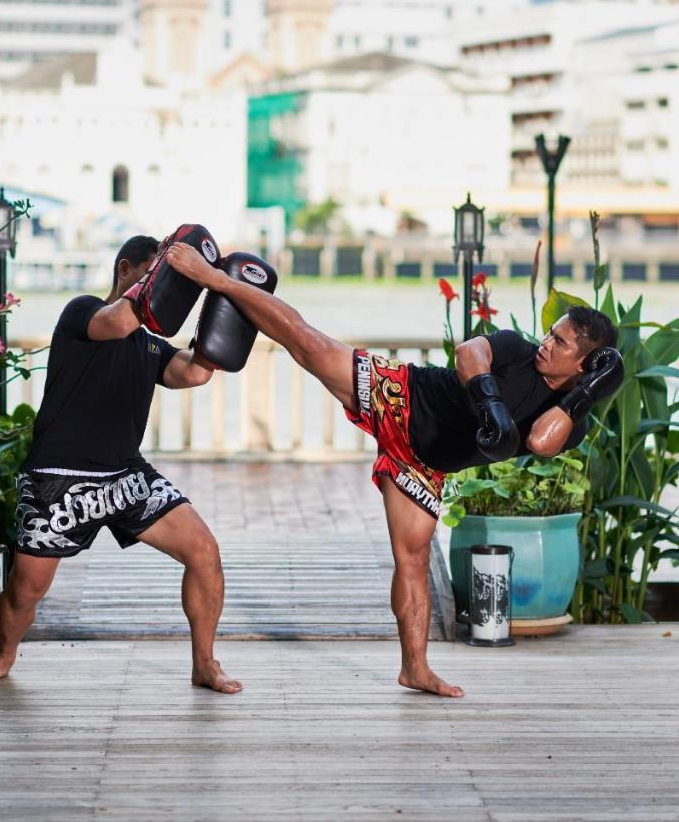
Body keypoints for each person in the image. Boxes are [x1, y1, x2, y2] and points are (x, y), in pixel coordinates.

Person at [163, 241, 622, 697]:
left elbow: (542, 442)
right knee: (306, 343)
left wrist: (584, 394)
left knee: (414, 560)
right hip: (402, 399)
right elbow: (468, 353)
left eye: (559, 342)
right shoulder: (518, 349)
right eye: (551, 333)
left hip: (424, 463)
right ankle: (217, 280)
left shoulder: (569, 423)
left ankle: (415, 669)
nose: (546, 343)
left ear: (585, 366)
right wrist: (490, 402)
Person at [0, 235, 242, 694]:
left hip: (125, 477)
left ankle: (204, 663)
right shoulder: (83, 312)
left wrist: (224, 302)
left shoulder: (150, 346)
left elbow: (192, 371)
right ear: (126, 270)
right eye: (160, 278)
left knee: (205, 553)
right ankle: (4, 653)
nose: (170, 292)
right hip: (58, 479)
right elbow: (117, 322)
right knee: (25, 589)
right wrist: (166, 278)